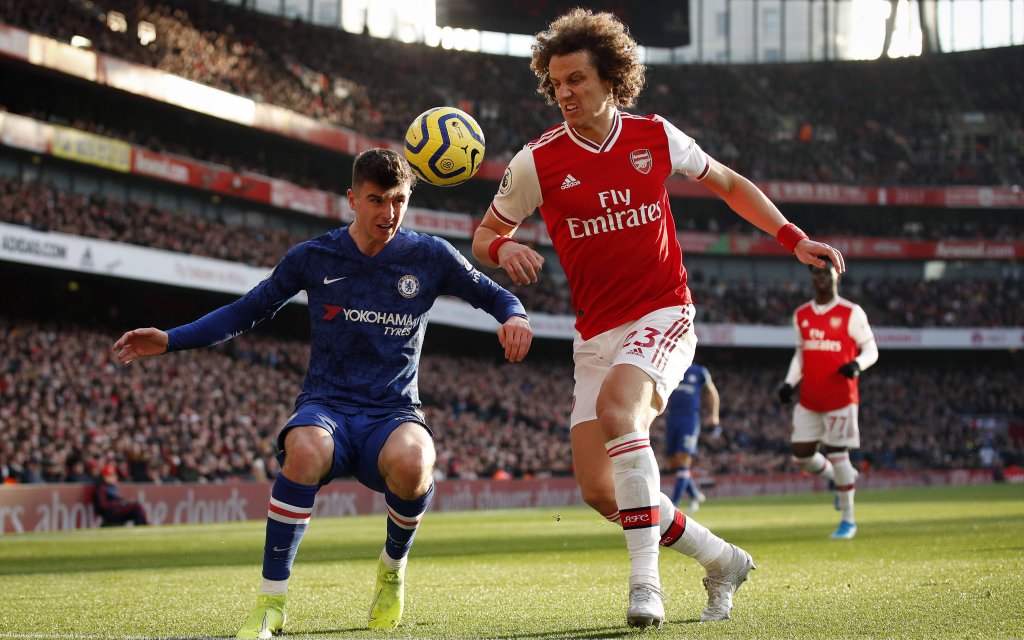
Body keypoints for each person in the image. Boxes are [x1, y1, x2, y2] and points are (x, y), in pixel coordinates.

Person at [471, 8, 844, 629]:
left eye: (576, 81)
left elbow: (727, 183)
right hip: (594, 333)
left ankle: (645, 588)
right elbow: (483, 235)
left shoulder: (655, 136)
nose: (564, 94)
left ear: (611, 79)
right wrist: (504, 246)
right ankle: (720, 558)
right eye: (556, 83)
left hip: (664, 310)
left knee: (622, 411)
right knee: (599, 489)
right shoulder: (536, 161)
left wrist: (793, 237)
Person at [113, 149, 534, 638]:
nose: (388, 213)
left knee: (417, 462)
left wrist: (515, 317)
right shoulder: (315, 257)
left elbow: (496, 295)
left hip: (392, 411)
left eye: (398, 200)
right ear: (352, 199)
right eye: (376, 200)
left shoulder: (431, 255)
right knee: (305, 447)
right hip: (327, 406)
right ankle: (271, 603)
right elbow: (247, 310)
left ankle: (391, 571)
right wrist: (171, 338)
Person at [778, 258, 877, 540]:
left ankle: (848, 520)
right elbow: (801, 353)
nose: (820, 276)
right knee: (801, 457)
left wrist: (857, 365)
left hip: (841, 398)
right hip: (809, 398)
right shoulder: (801, 314)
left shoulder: (851, 312)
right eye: (815, 272)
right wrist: (789, 383)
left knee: (838, 453)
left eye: (826, 272)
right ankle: (838, 478)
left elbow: (871, 349)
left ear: (837, 276)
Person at [664, 362, 720, 512]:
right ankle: (694, 494)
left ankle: (673, 504)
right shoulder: (671, 368)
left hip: (690, 419)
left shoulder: (699, 371)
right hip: (672, 418)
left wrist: (714, 414)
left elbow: (711, 392)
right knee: (673, 463)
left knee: (684, 460)